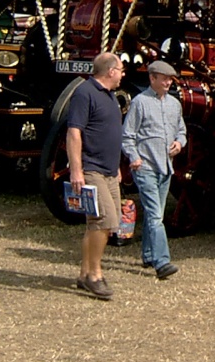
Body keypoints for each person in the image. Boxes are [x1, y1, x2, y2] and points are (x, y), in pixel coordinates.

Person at [67, 52, 126, 300]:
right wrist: (76, 170)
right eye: (121, 69)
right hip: (92, 169)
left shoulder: (111, 96)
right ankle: (95, 275)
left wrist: (118, 166)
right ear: (110, 71)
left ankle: (83, 273)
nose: (123, 74)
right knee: (103, 221)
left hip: (110, 170)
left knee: (101, 224)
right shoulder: (85, 93)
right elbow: (74, 133)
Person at [122, 60, 186, 280]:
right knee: (155, 215)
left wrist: (179, 143)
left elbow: (182, 131)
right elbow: (128, 134)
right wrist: (135, 157)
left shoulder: (174, 105)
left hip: (165, 167)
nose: (168, 82)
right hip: (146, 166)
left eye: (170, 79)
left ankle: (149, 254)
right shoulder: (140, 103)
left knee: (154, 213)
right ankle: (162, 261)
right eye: (164, 78)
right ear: (152, 79)